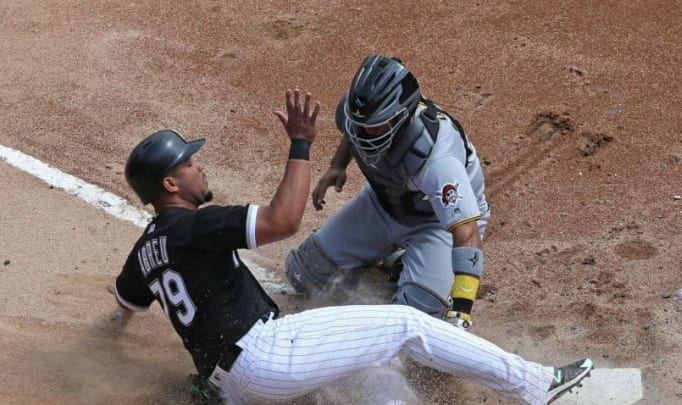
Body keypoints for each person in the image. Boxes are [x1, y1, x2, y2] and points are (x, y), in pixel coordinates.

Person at [113, 89, 594, 405]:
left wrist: (102, 341)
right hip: (267, 357)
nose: (200, 167)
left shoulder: (145, 250)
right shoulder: (197, 226)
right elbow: (284, 219)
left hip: (229, 386)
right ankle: (536, 385)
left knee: (369, 380)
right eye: (191, 164)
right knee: (405, 324)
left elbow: (125, 303)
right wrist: (301, 145)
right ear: (171, 183)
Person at [286, 55, 491, 328]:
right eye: (361, 124)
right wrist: (338, 165)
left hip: (436, 224)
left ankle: (418, 270)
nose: (364, 133)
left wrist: (463, 311)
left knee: (414, 323)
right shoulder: (359, 117)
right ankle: (396, 258)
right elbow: (354, 132)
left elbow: (467, 235)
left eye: (375, 126)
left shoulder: (437, 159)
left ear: (401, 117)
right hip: (383, 204)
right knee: (304, 274)